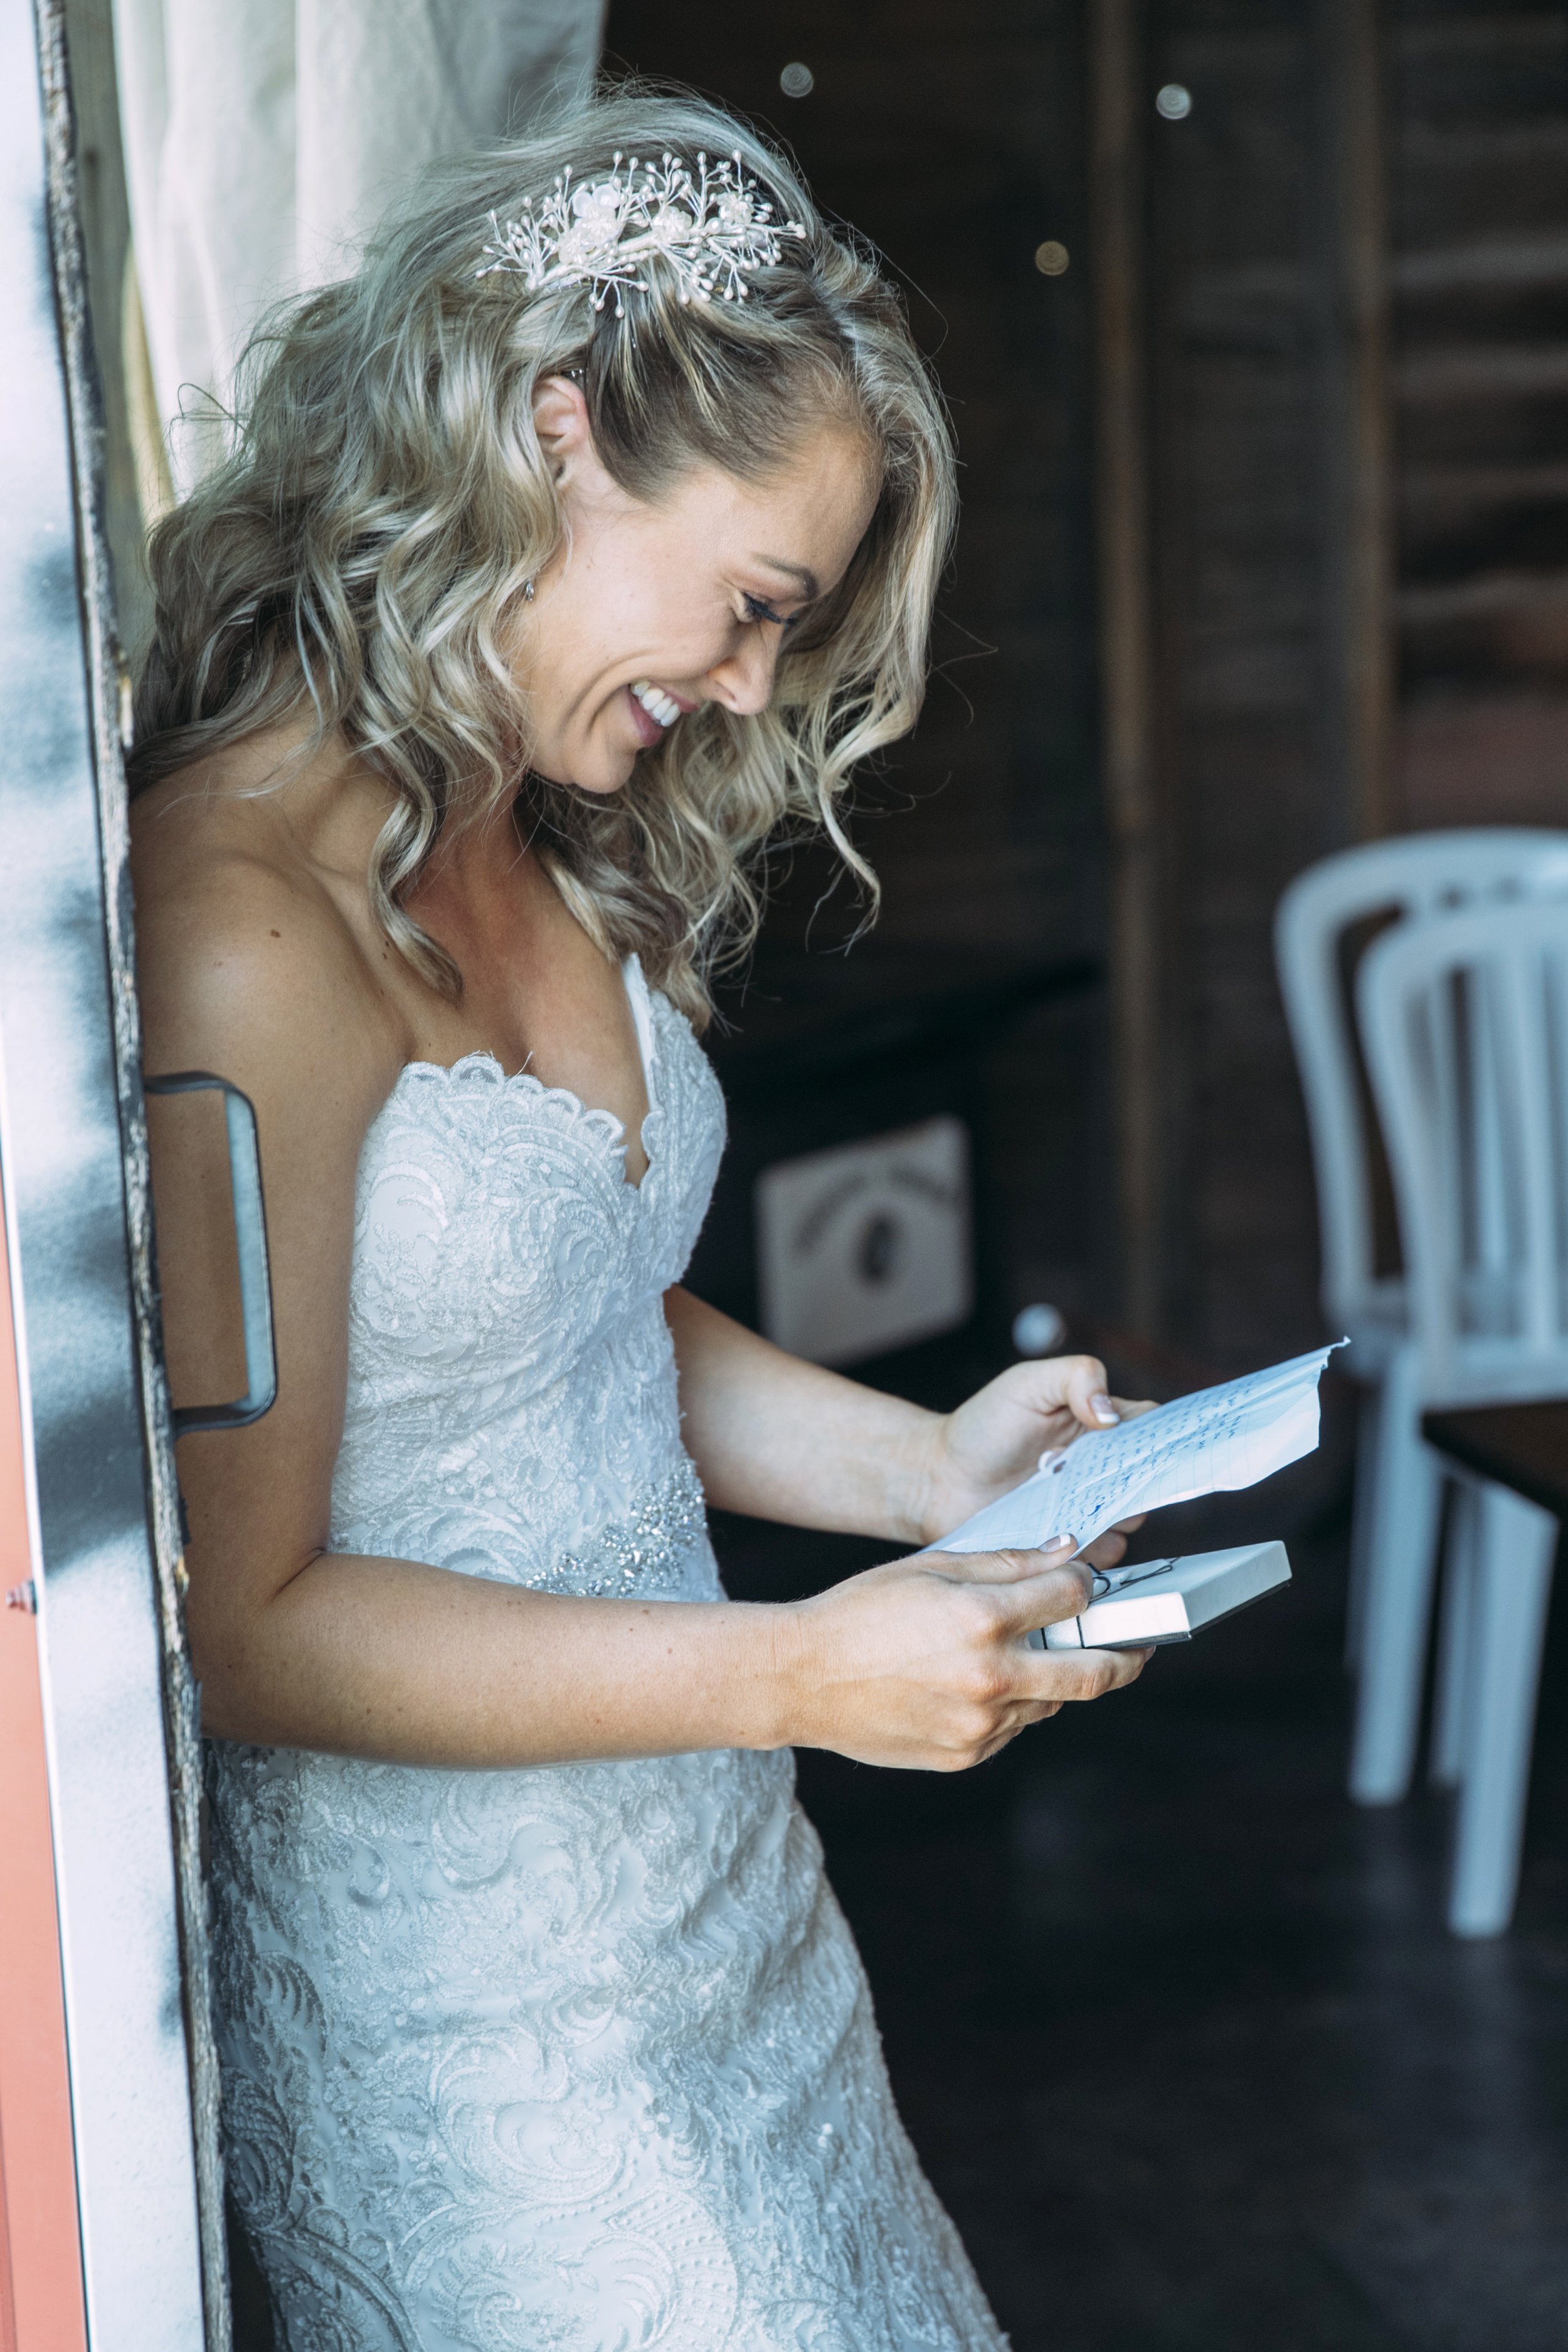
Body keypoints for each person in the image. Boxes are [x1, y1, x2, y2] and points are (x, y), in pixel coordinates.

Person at [130, 86, 1148, 2352]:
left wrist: (925, 1464)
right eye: (757, 604)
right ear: (560, 440)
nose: (753, 691)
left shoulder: (536, 830)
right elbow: (251, 1623)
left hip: (720, 1914)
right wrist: (800, 1668)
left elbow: (580, 1317)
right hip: (470, 2026)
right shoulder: (237, 928)